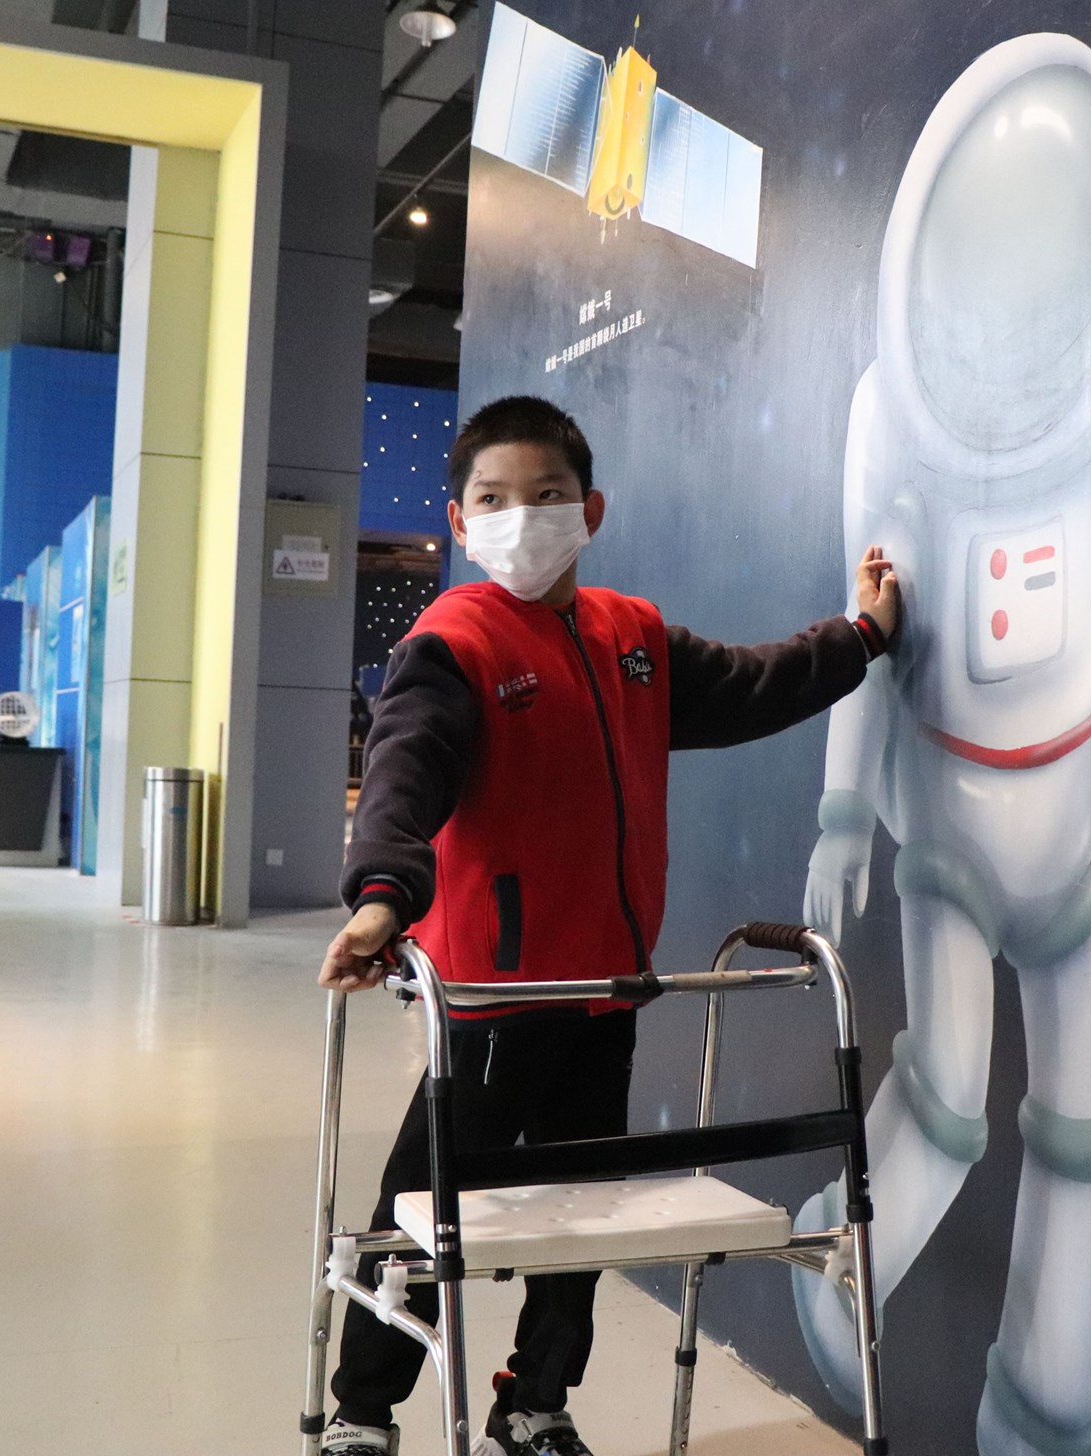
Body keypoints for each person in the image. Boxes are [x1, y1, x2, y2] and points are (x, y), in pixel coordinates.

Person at [318, 395, 901, 1456]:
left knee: (580, 1216)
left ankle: (531, 1403)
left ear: (587, 509)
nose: (521, 517)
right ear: (459, 521)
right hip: (494, 999)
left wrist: (860, 634)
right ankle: (360, 1414)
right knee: (421, 1211)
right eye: (493, 499)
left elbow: (751, 683)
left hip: (606, 992)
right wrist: (379, 900)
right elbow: (405, 776)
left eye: (545, 497)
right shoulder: (452, 645)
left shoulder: (631, 638)